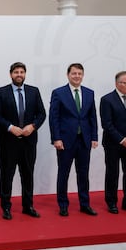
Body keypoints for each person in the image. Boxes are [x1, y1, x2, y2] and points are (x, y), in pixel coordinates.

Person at [0, 62, 46, 220]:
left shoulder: (34, 91)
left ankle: (28, 206)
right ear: (10, 74)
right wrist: (10, 127)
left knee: (28, 174)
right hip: (8, 142)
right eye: (16, 72)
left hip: (28, 141)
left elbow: (41, 114)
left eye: (22, 72)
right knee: (7, 175)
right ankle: (6, 207)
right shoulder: (1, 92)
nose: (19, 74)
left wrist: (33, 126)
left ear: (25, 74)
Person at [49, 63, 99, 217]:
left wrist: (94, 137)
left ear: (83, 75)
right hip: (65, 141)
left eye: (79, 73)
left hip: (84, 139)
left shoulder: (89, 93)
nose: (77, 76)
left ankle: (85, 204)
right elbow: (54, 117)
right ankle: (63, 205)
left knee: (83, 174)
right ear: (68, 75)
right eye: (74, 73)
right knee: (63, 173)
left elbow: (92, 117)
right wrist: (56, 138)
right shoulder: (58, 93)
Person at [100, 71, 126, 214]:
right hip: (113, 143)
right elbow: (107, 124)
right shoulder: (107, 99)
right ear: (117, 84)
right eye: (125, 83)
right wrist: (122, 139)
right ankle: (111, 202)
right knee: (113, 173)